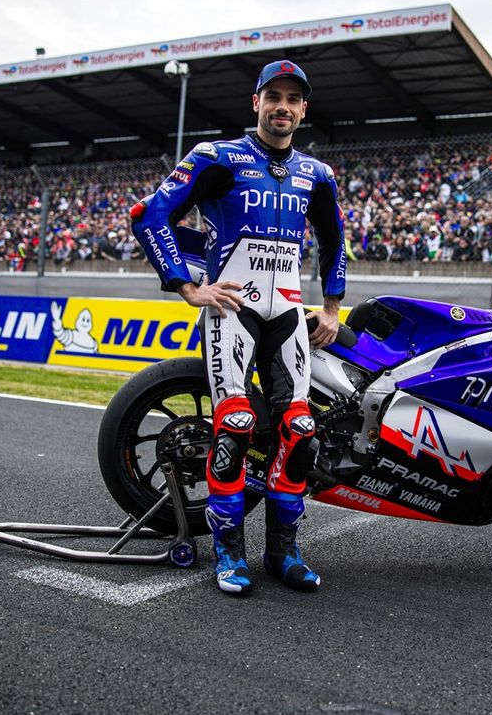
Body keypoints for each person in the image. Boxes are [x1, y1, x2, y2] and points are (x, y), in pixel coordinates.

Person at [133, 59, 346, 596]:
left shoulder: (317, 174)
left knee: (299, 431)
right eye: (272, 96)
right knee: (233, 425)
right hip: (232, 312)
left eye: (293, 99)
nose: (282, 106)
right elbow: (148, 215)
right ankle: (228, 555)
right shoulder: (216, 157)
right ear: (256, 102)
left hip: (290, 315)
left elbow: (334, 239)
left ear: (303, 109)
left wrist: (331, 307)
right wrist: (188, 287)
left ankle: (284, 552)